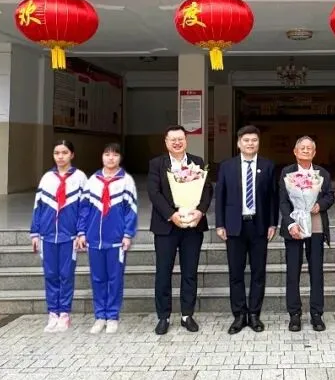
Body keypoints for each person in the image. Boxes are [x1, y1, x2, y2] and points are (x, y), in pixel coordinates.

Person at [146, 125, 213, 335]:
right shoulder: (157, 164)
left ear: (186, 140)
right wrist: (171, 215)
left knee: (190, 272)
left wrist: (200, 212)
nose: (177, 143)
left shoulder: (197, 162)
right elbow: (153, 192)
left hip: (192, 225)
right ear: (166, 142)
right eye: (172, 139)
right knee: (163, 272)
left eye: (180, 139)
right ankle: (163, 316)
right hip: (166, 226)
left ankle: (187, 315)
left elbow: (207, 190)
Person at [215, 125, 277, 334]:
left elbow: (272, 197)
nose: (250, 143)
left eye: (254, 140)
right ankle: (239, 315)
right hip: (234, 226)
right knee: (236, 273)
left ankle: (254, 314)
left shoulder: (268, 166)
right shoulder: (227, 166)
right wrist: (220, 224)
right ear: (238, 143)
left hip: (259, 226)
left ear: (259, 143)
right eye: (246, 140)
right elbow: (220, 197)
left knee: (258, 273)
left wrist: (272, 223)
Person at [76, 143, 138, 334]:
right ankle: (99, 316)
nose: (111, 158)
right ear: (102, 157)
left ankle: (112, 316)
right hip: (94, 239)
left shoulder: (126, 181)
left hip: (116, 240)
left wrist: (127, 234)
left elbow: (131, 210)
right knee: (97, 279)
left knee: (115, 279)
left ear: (120, 158)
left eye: (115, 155)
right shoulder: (93, 181)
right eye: (107, 154)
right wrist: (81, 232)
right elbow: (84, 209)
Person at [29, 140, 88, 333]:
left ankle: (64, 314)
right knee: (50, 275)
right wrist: (35, 232)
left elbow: (84, 209)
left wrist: (81, 232)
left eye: (64, 152)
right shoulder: (47, 178)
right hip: (47, 235)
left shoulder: (80, 178)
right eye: (57, 153)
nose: (60, 156)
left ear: (72, 155)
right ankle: (52, 313)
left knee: (66, 275)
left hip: (69, 236)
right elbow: (38, 207)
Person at [280, 136, 334, 332]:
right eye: (302, 148)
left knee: (316, 271)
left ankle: (316, 313)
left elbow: (330, 195)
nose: (305, 150)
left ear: (314, 152)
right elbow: (283, 200)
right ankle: (294, 314)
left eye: (309, 148)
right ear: (295, 152)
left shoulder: (322, 173)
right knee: (293, 271)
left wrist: (320, 205)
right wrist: (290, 224)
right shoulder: (287, 172)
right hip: (294, 227)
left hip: (316, 225)